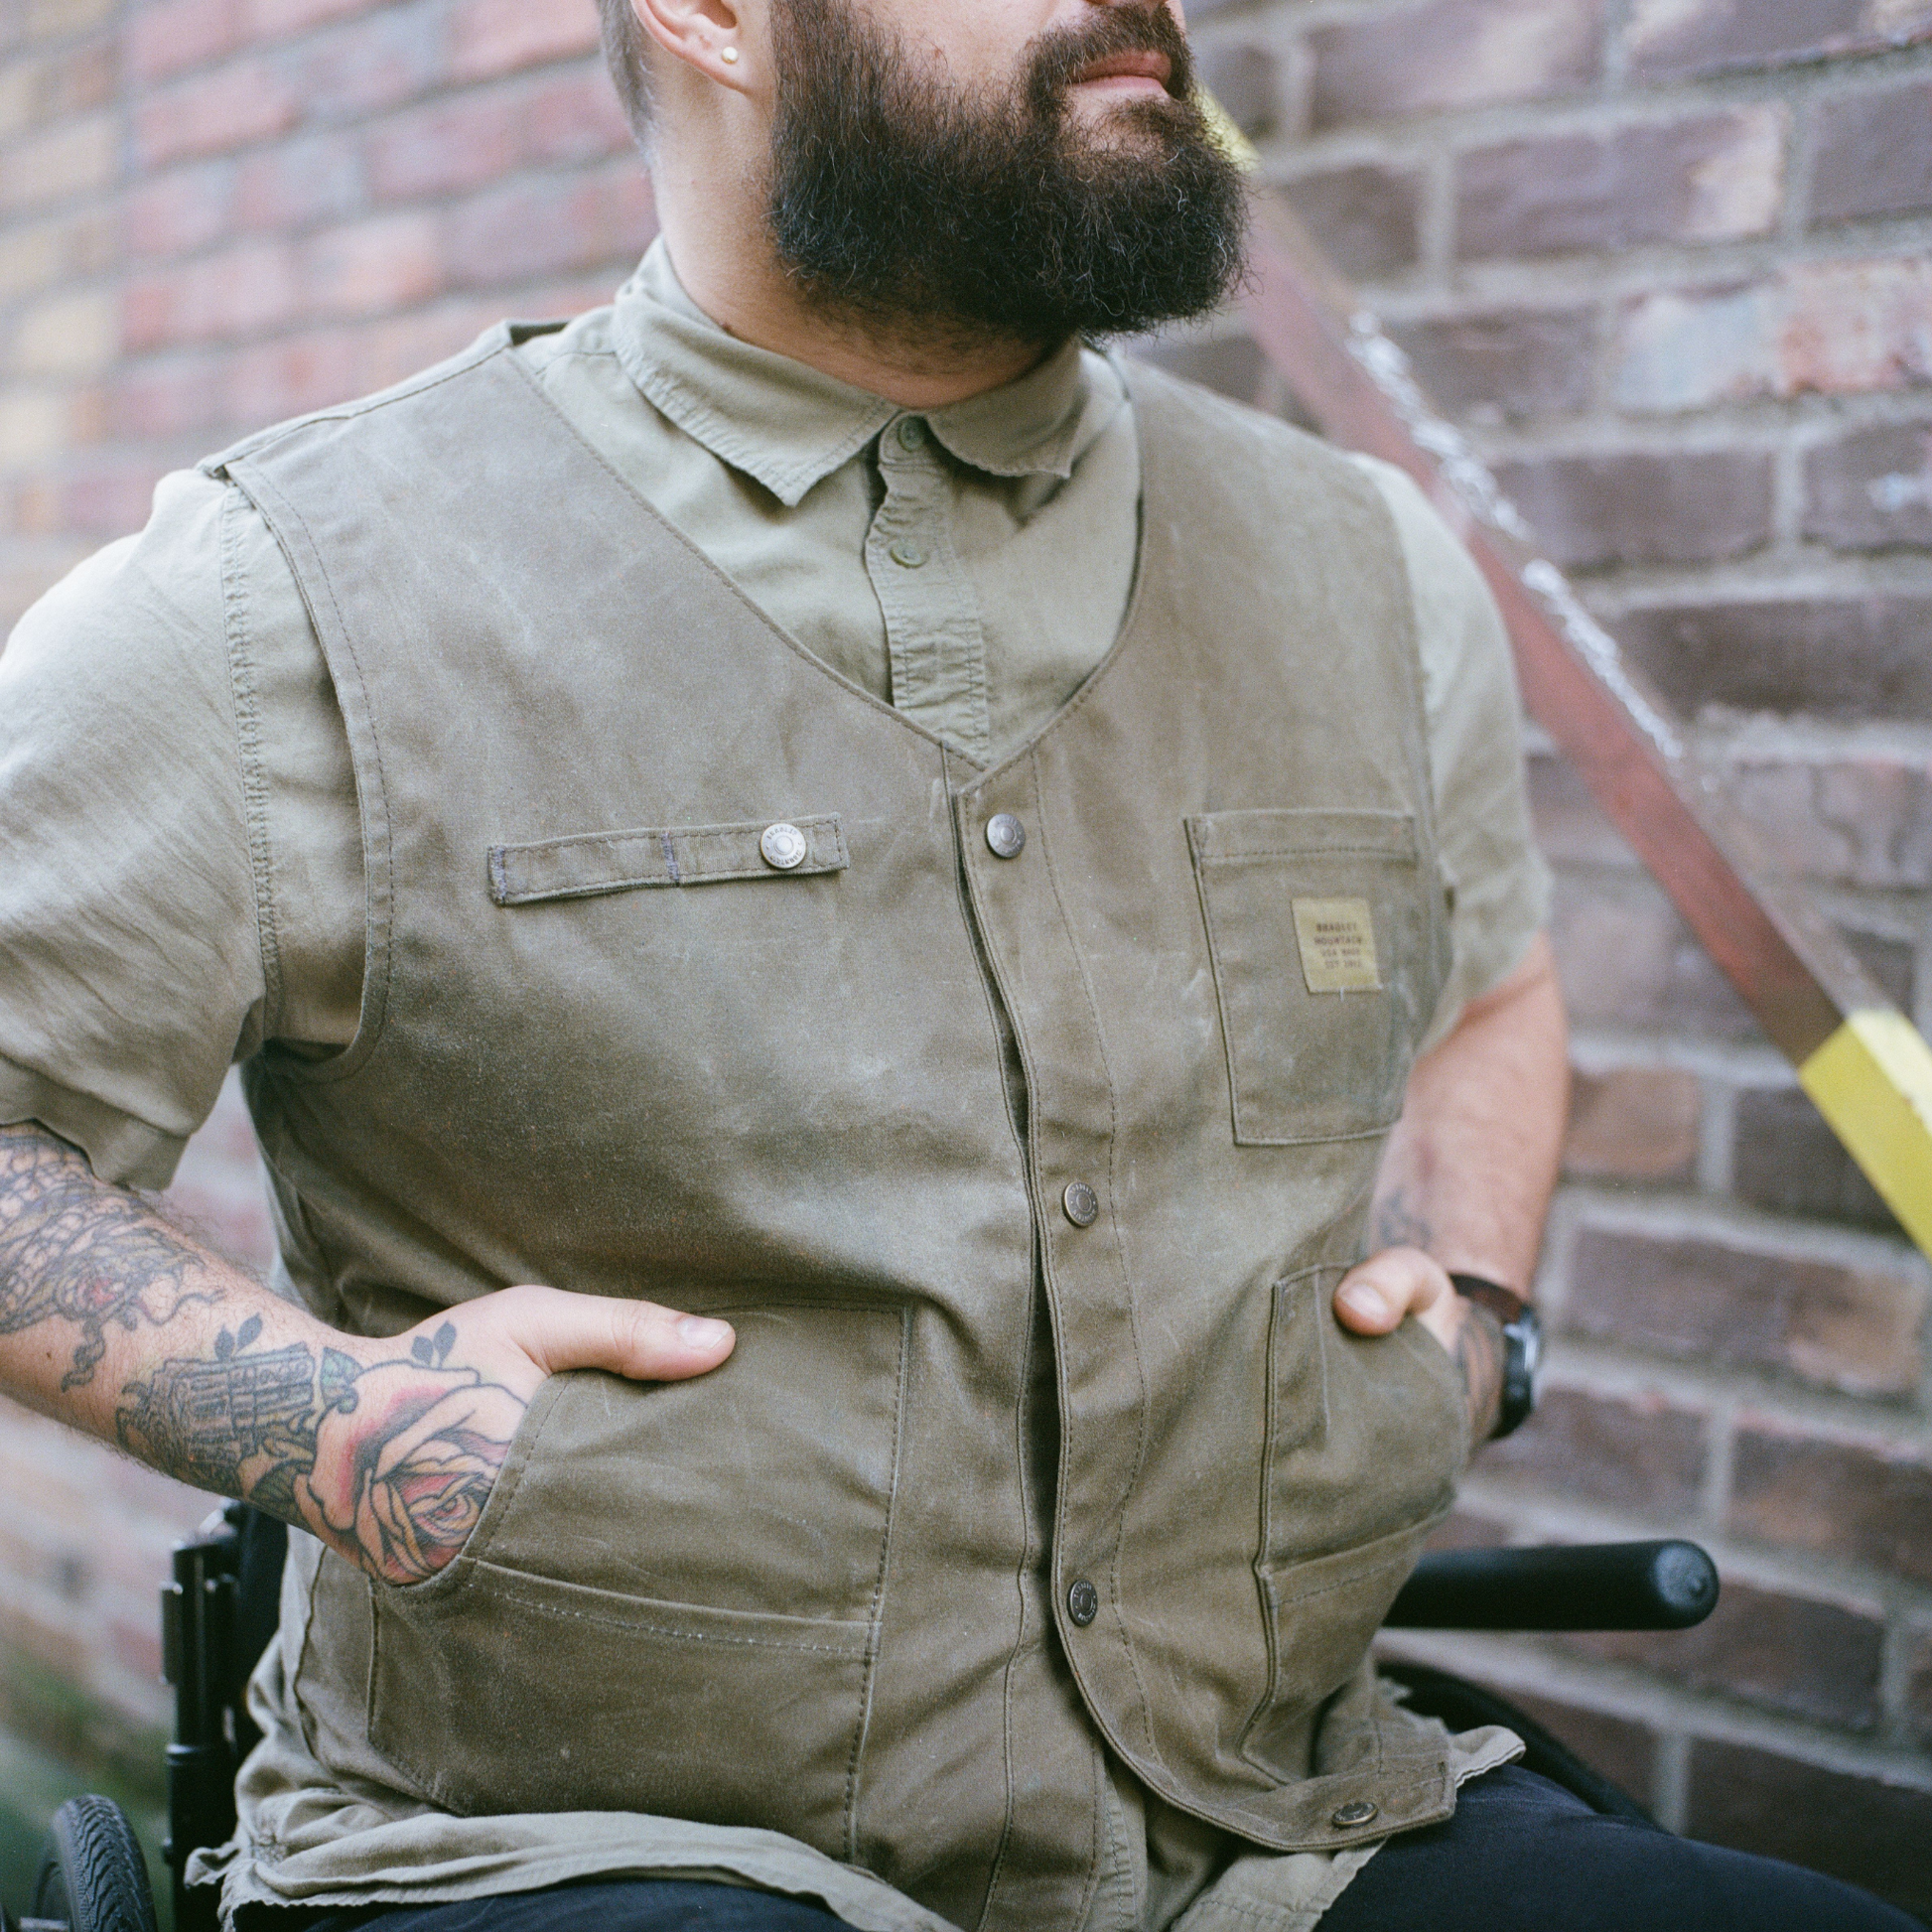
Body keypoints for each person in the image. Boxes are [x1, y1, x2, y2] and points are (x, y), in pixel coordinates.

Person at [0, 2, 1917, 1929]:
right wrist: (324, 1421)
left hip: (1286, 1828)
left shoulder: (1366, 560)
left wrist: (1477, 1307)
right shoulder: (290, 593)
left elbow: (1491, 989)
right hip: (581, 1851)